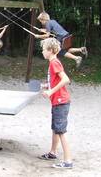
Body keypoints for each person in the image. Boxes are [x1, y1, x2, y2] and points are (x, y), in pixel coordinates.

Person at [38, 38, 73, 169]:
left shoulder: (54, 63)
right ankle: (53, 153)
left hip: (61, 101)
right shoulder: (52, 63)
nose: (42, 52)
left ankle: (68, 161)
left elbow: (65, 79)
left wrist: (51, 91)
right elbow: (55, 80)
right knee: (55, 129)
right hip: (57, 102)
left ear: (51, 51)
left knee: (61, 131)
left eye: (43, 50)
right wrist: (46, 86)